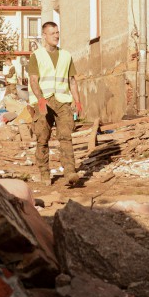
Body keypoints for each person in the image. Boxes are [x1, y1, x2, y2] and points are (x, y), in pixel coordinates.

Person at [29, 21, 83, 187]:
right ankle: (45, 173)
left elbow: (72, 81)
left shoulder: (66, 55)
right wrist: (40, 99)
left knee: (66, 137)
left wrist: (78, 101)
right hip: (43, 101)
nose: (56, 36)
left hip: (62, 100)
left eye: (58, 32)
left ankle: (69, 173)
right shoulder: (36, 55)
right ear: (44, 35)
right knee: (42, 138)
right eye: (52, 33)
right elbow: (33, 80)